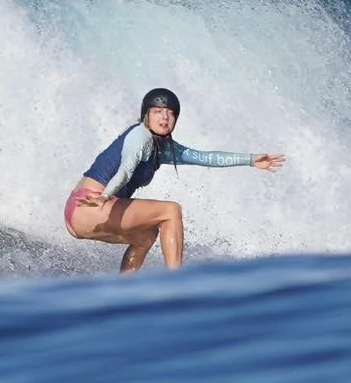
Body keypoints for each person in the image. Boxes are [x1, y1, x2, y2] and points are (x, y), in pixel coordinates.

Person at [65, 88, 285, 273]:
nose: (164, 117)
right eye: (157, 111)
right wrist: (104, 196)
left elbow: (206, 157)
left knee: (147, 235)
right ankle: (177, 283)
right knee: (171, 211)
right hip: (89, 205)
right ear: (146, 115)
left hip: (88, 213)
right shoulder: (139, 137)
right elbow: (125, 170)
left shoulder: (164, 149)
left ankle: (123, 293)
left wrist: (250, 160)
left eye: (170, 113)